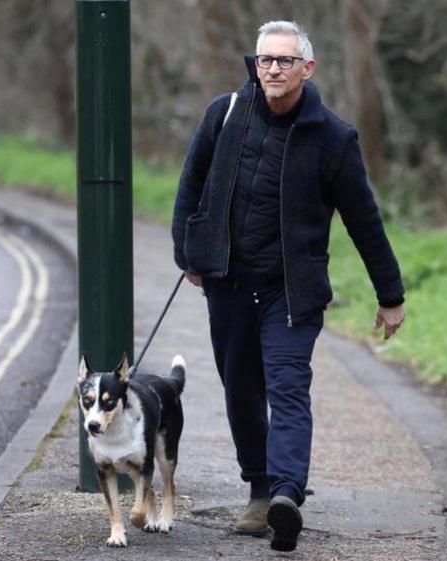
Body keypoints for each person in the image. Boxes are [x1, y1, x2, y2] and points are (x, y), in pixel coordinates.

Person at [171, 20, 406, 552]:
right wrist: (189, 254)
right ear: (255, 65)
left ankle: (285, 495)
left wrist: (390, 295)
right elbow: (192, 186)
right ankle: (258, 488)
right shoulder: (224, 114)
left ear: (307, 68)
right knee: (242, 391)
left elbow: (364, 221)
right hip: (229, 282)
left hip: (291, 292)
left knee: (288, 388)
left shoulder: (333, 138)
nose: (273, 69)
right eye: (265, 60)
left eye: (284, 60)